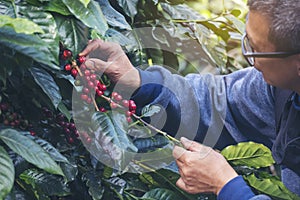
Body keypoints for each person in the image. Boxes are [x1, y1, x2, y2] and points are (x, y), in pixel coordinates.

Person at [79, 0, 300, 199]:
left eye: (256, 49)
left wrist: (228, 187)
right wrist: (141, 83)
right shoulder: (280, 89)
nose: (248, 56)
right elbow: (220, 104)